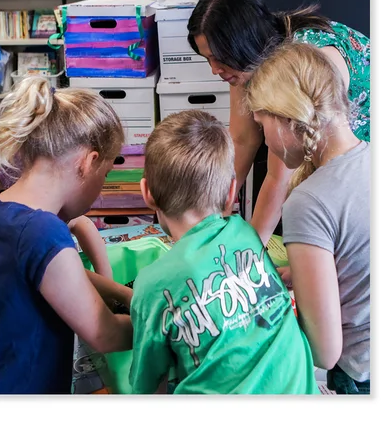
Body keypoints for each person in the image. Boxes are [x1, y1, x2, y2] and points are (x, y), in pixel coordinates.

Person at [128, 110, 317, 394]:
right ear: (232, 193)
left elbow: (148, 386)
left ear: (146, 192)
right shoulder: (246, 235)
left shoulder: (152, 285)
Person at [187, 0, 370, 247]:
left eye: (219, 57)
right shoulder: (243, 64)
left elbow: (279, 177)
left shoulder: (301, 65)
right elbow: (241, 140)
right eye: (207, 59)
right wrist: (211, 216)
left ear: (243, 44)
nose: (215, 69)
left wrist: (247, 257)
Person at [0, 77, 133, 394]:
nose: (100, 191)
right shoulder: (45, 231)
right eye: (106, 175)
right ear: (89, 163)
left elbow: (56, 273)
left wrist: (124, 295)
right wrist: (171, 325)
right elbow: (104, 334)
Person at [245, 42, 370, 394]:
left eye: (261, 124)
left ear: (287, 117)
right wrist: (300, 275)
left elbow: (325, 352)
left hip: (358, 375)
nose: (265, 141)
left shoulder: (308, 202)